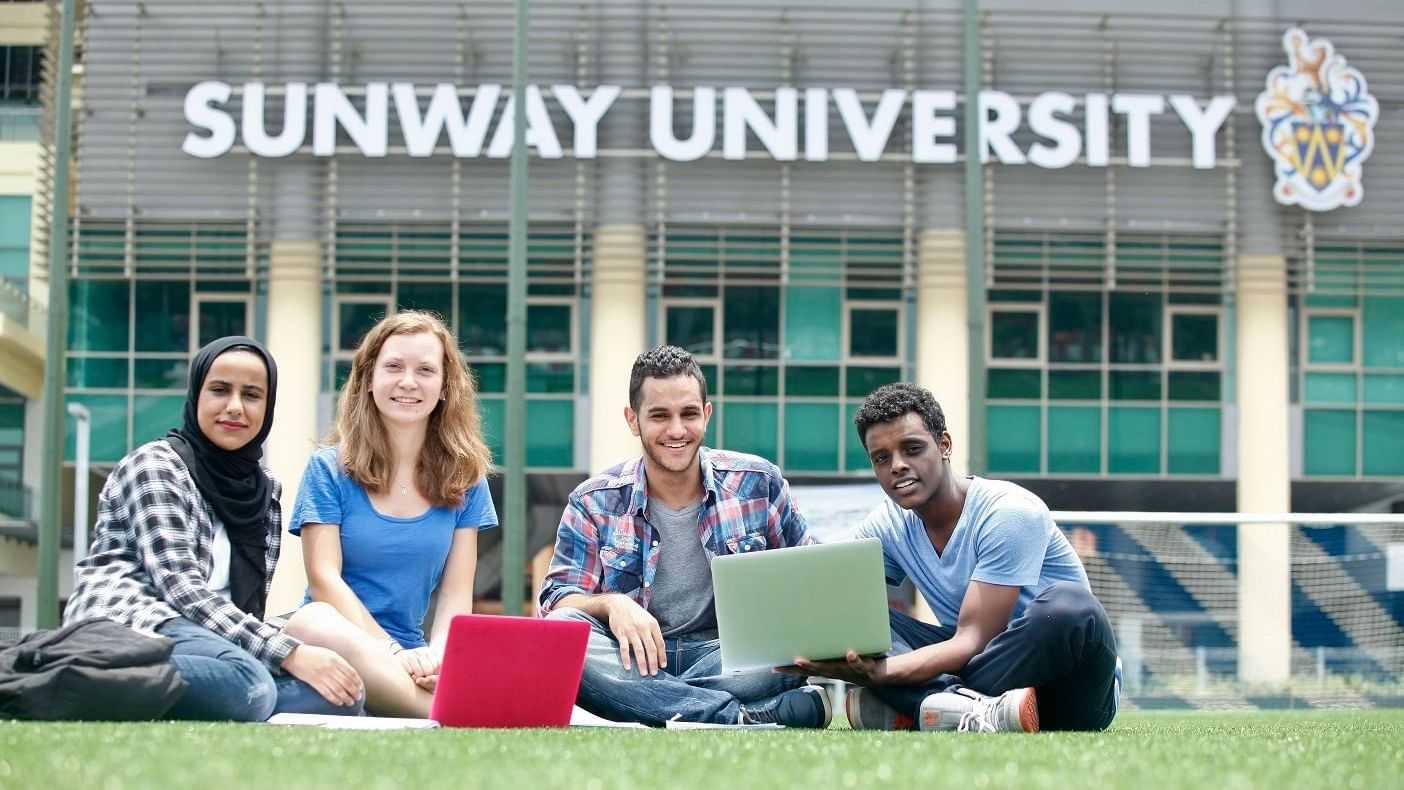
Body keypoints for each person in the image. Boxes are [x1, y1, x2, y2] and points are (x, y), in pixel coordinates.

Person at [788, 383, 1119, 732]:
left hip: (1067, 688)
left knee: (1070, 609)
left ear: (944, 445)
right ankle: (960, 708)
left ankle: (922, 704)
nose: (897, 466)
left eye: (912, 448)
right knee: (858, 621)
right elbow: (828, 585)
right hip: (984, 677)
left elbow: (974, 638)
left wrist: (883, 675)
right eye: (881, 458)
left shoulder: (1008, 511)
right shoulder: (889, 523)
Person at [64, 336, 364, 721]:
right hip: (132, 625)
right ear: (196, 394)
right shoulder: (157, 466)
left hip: (208, 641)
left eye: (252, 395)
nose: (235, 407)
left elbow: (242, 607)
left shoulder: (263, 490)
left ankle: (186, 694)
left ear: (267, 407)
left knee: (339, 696)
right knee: (244, 685)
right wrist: (290, 651)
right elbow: (182, 589)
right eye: (220, 390)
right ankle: (69, 672)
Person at [539, 345, 831, 728]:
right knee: (564, 635)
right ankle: (736, 716)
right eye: (659, 415)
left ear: (706, 415)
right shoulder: (594, 500)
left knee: (786, 653)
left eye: (688, 414)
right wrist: (613, 605)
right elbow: (557, 603)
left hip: (727, 658)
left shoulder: (759, 483)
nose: (676, 430)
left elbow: (813, 578)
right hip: (631, 657)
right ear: (633, 420)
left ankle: (641, 703)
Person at [284, 311, 497, 717]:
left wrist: (437, 658)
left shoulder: (466, 478)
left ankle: (434, 699)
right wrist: (390, 650)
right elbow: (324, 581)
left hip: (412, 657)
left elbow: (456, 594)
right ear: (368, 379)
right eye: (394, 367)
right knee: (309, 620)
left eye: (425, 370)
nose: (408, 382)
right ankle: (456, 715)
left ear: (446, 387)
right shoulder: (328, 469)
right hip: (336, 641)